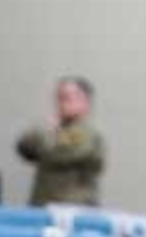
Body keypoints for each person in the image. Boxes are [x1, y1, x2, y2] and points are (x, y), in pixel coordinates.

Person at [17, 77, 105, 206]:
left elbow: (59, 154)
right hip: (43, 204)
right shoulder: (52, 129)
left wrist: (45, 136)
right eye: (60, 97)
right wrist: (46, 131)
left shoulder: (88, 134)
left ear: (85, 102)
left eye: (69, 97)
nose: (63, 103)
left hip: (74, 207)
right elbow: (24, 147)